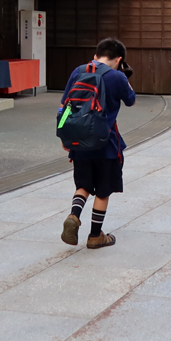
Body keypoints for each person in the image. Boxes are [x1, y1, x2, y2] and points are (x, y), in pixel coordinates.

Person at [60, 38, 137, 249]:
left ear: (96, 56)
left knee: (83, 184)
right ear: (119, 59)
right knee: (103, 190)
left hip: (79, 141)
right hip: (107, 144)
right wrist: (124, 77)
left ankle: (74, 216)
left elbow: (64, 105)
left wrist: (66, 136)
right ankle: (95, 236)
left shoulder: (79, 71)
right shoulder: (118, 77)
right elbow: (131, 100)